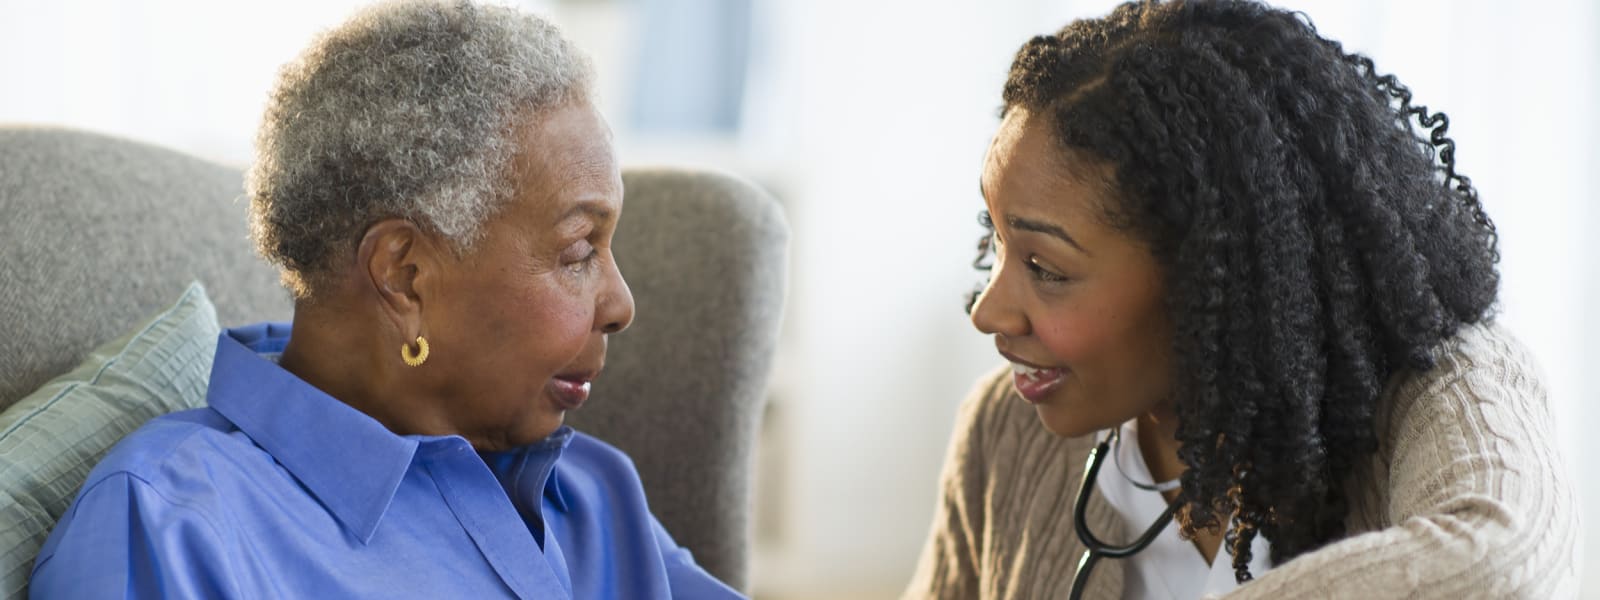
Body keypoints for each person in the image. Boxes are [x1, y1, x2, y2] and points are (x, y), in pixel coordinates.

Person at [29, 2, 741, 598]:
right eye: (580, 251)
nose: (621, 304)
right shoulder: (173, 524)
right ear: (405, 278)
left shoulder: (591, 492)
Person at [904, 1, 1580, 598]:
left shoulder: (1445, 388)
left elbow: (1499, 570)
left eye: (1045, 268)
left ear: (1207, 273)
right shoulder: (1008, 428)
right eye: (997, 243)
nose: (986, 313)